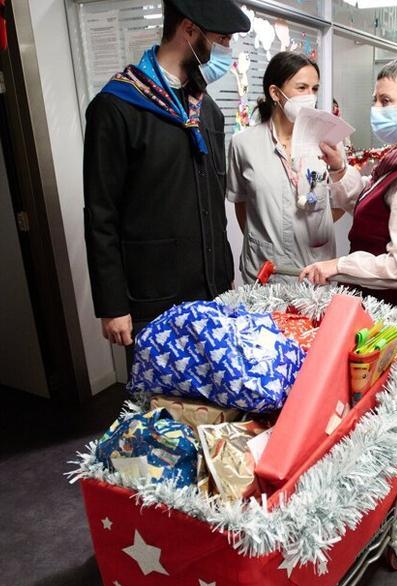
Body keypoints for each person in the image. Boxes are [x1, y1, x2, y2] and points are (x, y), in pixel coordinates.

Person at [299, 56, 397, 528]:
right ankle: (387, 489)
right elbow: (364, 199)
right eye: (375, 100)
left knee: (395, 405)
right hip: (386, 300)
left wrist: (337, 264)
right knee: (384, 404)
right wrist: (342, 166)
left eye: (387, 101)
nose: (377, 109)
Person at [84, 0, 249, 346]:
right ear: (189, 30)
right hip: (152, 298)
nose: (227, 51)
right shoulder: (117, 107)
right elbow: (101, 214)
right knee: (157, 396)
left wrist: (224, 277)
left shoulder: (207, 111)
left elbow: (214, 206)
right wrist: (112, 306)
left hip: (211, 291)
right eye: (222, 39)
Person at [226, 52, 345, 281]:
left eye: (315, 89)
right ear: (275, 93)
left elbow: (341, 201)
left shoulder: (329, 142)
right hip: (265, 272)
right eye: (301, 88)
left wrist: (315, 225)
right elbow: (242, 204)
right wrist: (265, 240)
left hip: (315, 272)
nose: (310, 96)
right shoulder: (244, 144)